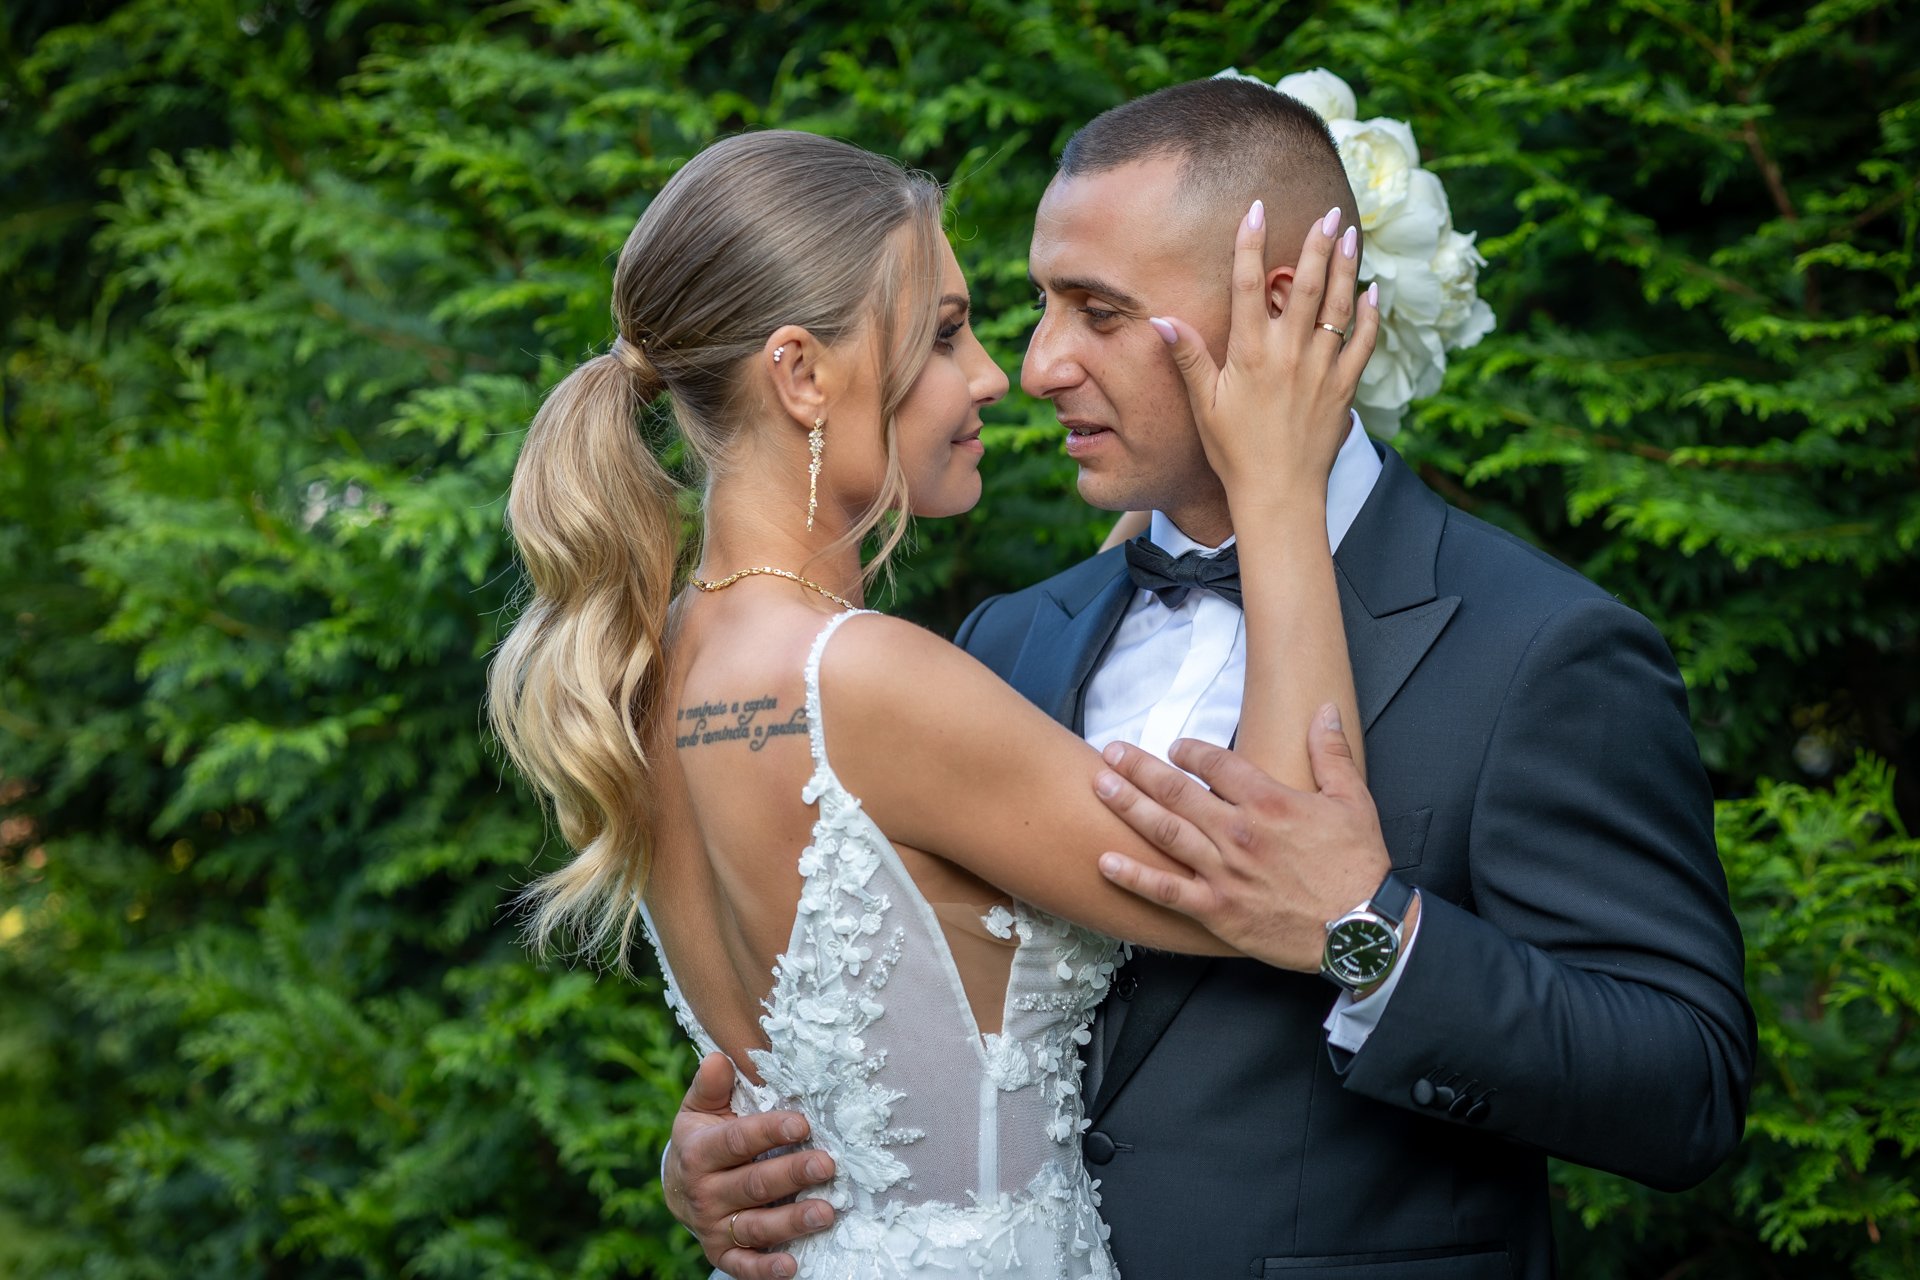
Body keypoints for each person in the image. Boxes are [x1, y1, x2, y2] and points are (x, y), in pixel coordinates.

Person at [662, 81, 1757, 1279]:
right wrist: (766, 1149)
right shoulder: (1008, 637)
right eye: (1039, 304)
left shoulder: (1540, 647)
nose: (1036, 365)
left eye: (1098, 312)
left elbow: (1686, 1087)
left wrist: (1370, 939)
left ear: (1280, 305)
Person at [486, 127, 1381, 1277]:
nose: (995, 374)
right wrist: (1279, 481)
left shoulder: (648, 668)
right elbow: (1274, 858)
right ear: (802, 374)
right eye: (947, 333)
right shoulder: (864, 678)